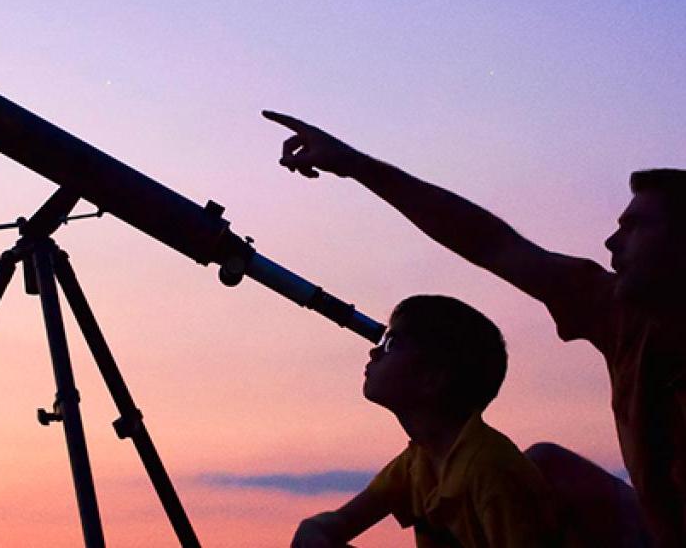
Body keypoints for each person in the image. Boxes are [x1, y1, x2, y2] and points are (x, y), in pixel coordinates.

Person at [264, 110, 684, 546]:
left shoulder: (487, 467)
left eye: (636, 228)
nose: (612, 243)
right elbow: (490, 242)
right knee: (547, 465)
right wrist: (356, 165)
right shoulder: (620, 316)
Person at [292, 295, 560, 547]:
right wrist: (317, 528)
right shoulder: (418, 462)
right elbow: (348, 519)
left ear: (432, 379)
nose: (374, 353)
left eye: (392, 344)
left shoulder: (491, 470)